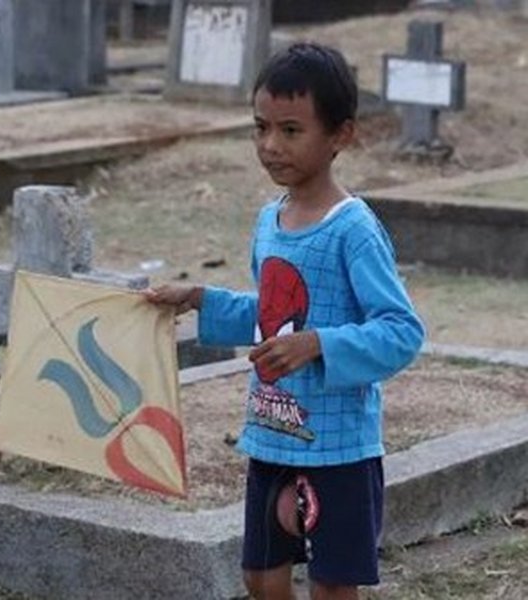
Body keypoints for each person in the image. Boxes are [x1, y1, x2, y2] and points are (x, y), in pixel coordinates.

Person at [145, 43, 425, 600]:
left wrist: (318, 344)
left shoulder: (354, 230)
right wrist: (200, 297)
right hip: (273, 436)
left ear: (341, 135)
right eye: (260, 127)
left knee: (332, 586)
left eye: (291, 131)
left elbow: (401, 331)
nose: (271, 146)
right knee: (261, 577)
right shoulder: (269, 221)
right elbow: (272, 316)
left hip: (339, 448)